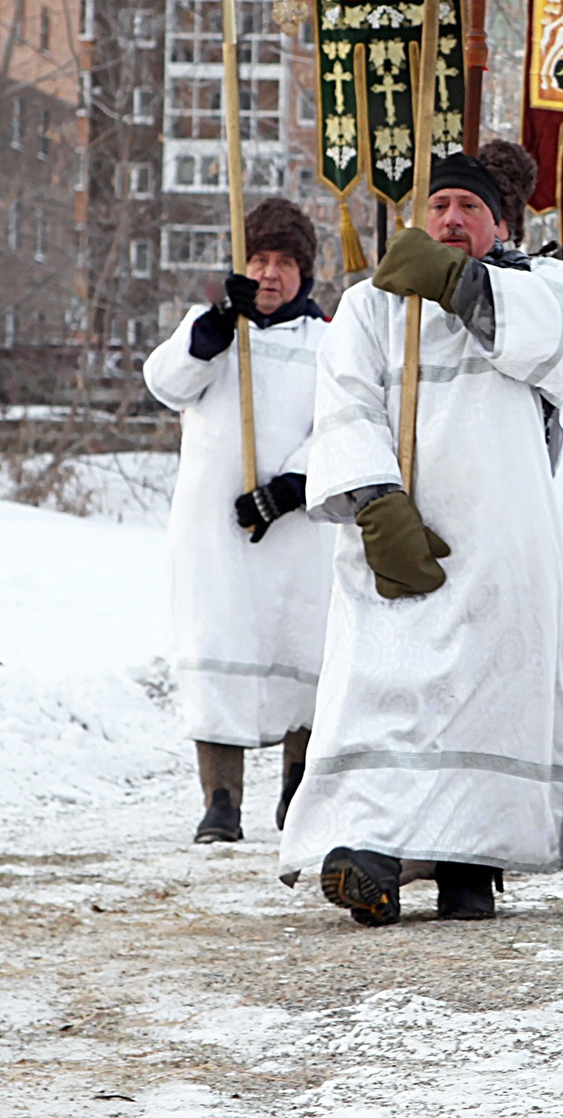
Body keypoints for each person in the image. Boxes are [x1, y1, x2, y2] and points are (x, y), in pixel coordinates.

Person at [281, 146, 563, 927]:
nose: (451, 219)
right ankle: (369, 850)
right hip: (398, 535)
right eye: (438, 207)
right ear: (417, 216)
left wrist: (461, 286)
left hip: (501, 542)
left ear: (500, 222)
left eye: (469, 208)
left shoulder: (545, 285)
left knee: (487, 697)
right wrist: (374, 501)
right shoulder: (371, 306)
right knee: (383, 692)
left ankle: (473, 861)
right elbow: (344, 404)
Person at [142, 198, 329, 845]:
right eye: (259, 258)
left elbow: (341, 424)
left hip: (295, 531)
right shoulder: (213, 326)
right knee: (219, 646)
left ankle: (298, 783)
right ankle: (220, 797)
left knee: (301, 649)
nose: (270, 273)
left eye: (284, 261)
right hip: (215, 531)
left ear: (305, 272)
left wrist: (290, 488)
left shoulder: (326, 341)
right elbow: (165, 383)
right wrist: (217, 328)